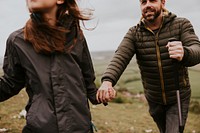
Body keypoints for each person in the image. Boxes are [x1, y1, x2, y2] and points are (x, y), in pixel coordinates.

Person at [96, 0, 200, 133]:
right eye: (143, 2)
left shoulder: (181, 24)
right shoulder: (134, 33)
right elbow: (120, 56)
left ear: (163, 2)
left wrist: (185, 53)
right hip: (154, 99)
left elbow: (197, 49)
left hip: (177, 96)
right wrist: (107, 81)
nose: (147, 5)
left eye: (152, 0)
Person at [0, 0, 99, 132]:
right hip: (39, 128)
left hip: (80, 129)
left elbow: (88, 83)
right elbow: (11, 83)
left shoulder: (77, 36)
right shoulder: (17, 41)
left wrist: (104, 90)